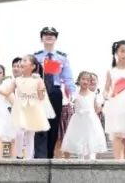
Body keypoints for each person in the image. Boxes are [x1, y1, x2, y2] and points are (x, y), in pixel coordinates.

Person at [0, 55, 51, 158]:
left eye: (25, 61)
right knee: (19, 132)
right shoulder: (17, 80)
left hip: (33, 109)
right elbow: (7, 91)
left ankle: (29, 159)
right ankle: (19, 156)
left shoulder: (37, 80)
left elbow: (41, 97)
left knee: (30, 135)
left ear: (33, 66)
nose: (22, 63)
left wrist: (41, 86)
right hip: (20, 110)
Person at [32, 26, 75, 159]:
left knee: (54, 124)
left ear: (56, 38)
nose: (49, 36)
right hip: (39, 91)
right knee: (39, 122)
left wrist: (73, 93)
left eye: (52, 34)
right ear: (41, 38)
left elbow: (68, 78)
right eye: (46, 34)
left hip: (55, 92)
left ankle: (49, 155)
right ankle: (39, 154)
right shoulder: (35, 56)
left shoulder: (62, 57)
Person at [61, 71, 107, 159]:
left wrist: (102, 103)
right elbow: (69, 100)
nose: (85, 81)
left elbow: (96, 109)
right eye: (83, 79)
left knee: (91, 139)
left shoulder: (93, 95)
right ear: (79, 80)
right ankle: (80, 160)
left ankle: (92, 159)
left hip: (91, 120)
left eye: (88, 80)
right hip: (78, 120)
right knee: (79, 139)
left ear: (90, 82)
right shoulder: (75, 94)